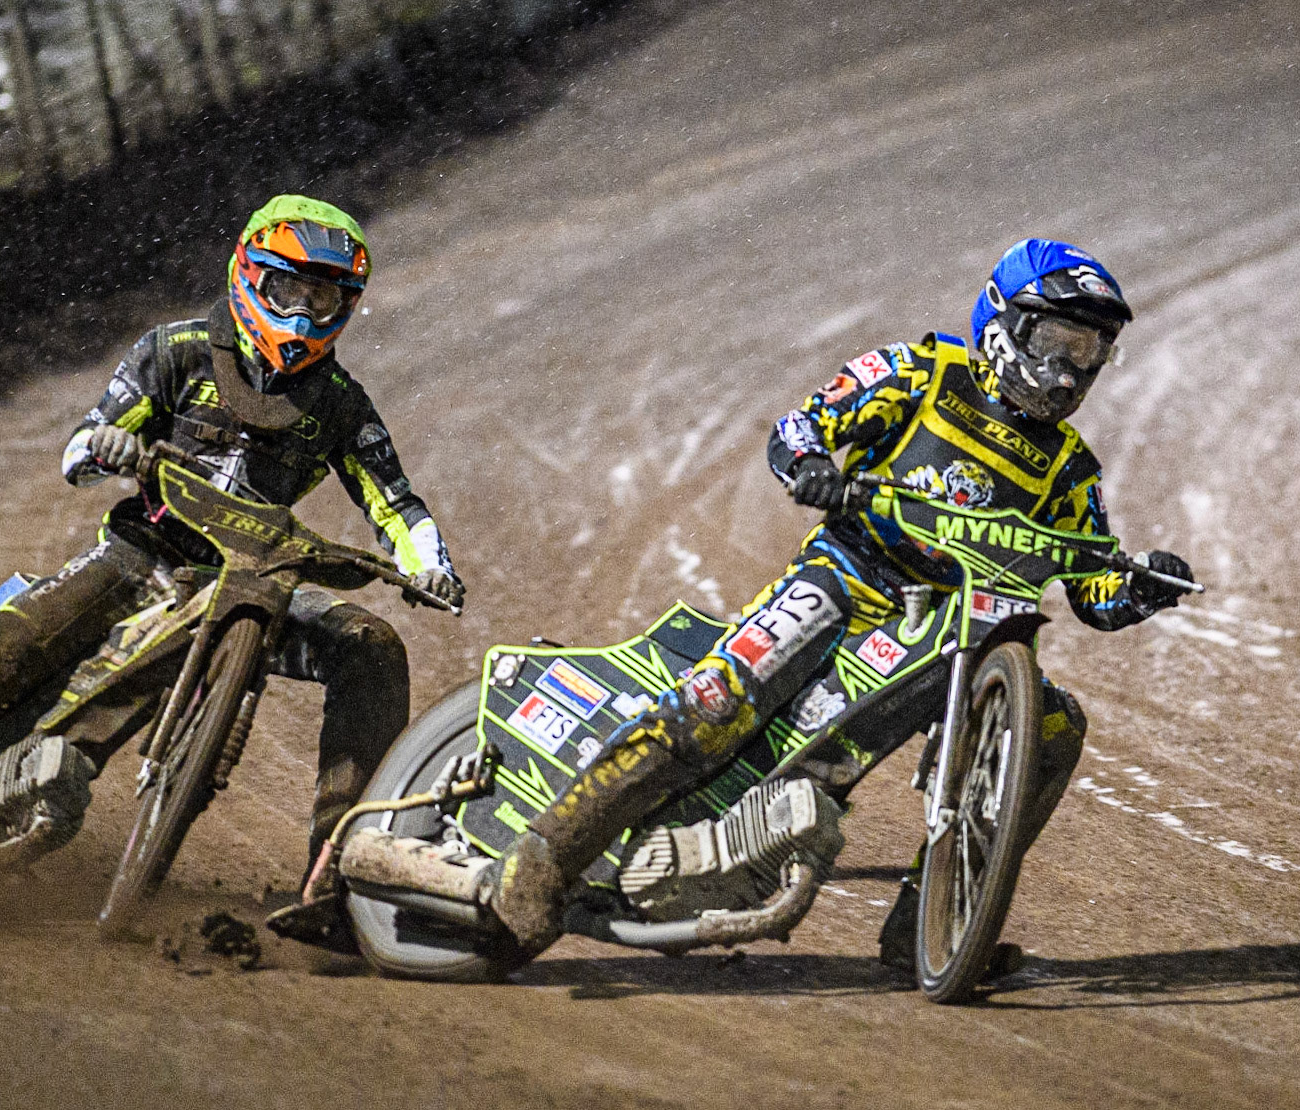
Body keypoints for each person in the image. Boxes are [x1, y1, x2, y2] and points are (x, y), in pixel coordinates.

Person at [0, 194, 464, 888]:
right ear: (248, 275)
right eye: (287, 289)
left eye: (322, 297)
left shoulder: (340, 406)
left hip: (256, 583)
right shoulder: (178, 350)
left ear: (345, 306)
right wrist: (108, 449)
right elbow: (78, 449)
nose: (301, 314)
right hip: (138, 560)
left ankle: (335, 882)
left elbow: (395, 502)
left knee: (370, 645)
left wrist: (429, 564)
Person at [483, 238, 1195, 967]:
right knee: (723, 701)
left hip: (959, 636)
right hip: (848, 579)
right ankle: (543, 859)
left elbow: (1095, 592)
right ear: (1001, 324)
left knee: (1054, 725)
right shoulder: (921, 372)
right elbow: (801, 427)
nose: (1069, 369)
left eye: (1089, 352)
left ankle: (930, 928)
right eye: (1055, 341)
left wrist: (1143, 585)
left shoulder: (1071, 469)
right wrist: (812, 468)